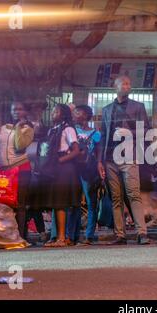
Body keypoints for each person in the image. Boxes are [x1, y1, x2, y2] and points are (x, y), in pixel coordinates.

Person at [96, 75, 151, 245]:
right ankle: (120, 234)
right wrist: (100, 160)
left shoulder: (138, 106)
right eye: (124, 83)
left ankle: (142, 233)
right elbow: (103, 135)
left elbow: (147, 130)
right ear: (116, 87)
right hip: (110, 158)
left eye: (129, 83)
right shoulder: (106, 109)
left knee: (134, 194)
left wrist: (129, 133)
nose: (127, 86)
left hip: (129, 155)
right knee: (116, 198)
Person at [0, 101, 34, 239]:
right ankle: (6, 236)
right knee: (4, 204)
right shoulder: (3, 128)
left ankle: (20, 236)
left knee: (20, 204)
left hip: (21, 170)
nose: (16, 112)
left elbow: (20, 145)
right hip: (3, 171)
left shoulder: (28, 129)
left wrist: (18, 128)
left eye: (20, 109)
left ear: (25, 112)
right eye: (14, 110)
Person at [42, 104, 81, 247]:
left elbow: (76, 150)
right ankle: (58, 237)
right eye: (52, 110)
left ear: (63, 114)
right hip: (55, 168)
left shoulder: (68, 129)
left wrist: (59, 160)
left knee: (61, 203)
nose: (53, 113)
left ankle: (61, 238)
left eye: (56, 111)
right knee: (56, 203)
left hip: (64, 167)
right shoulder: (53, 130)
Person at [68, 105, 101, 245]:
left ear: (86, 115)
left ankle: (89, 236)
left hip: (89, 170)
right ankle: (72, 235)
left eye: (77, 112)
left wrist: (100, 165)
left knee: (91, 203)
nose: (75, 114)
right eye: (74, 112)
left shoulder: (96, 133)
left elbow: (99, 152)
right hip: (73, 169)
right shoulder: (71, 131)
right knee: (73, 203)